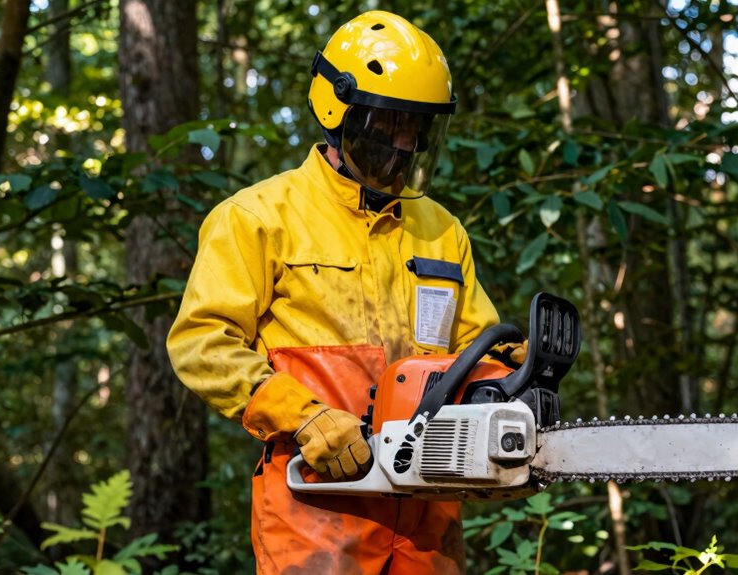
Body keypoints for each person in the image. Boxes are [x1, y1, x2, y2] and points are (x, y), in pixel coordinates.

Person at [166, 11, 502, 575]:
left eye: (416, 128)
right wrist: (303, 416)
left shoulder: (441, 229)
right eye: (391, 123)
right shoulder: (257, 218)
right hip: (317, 504)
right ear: (337, 111)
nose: (405, 144)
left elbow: (477, 345)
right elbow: (202, 342)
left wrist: (507, 383)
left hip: (428, 508)